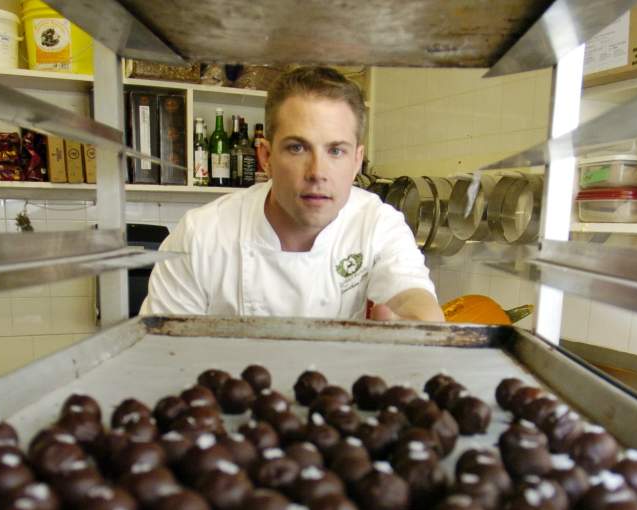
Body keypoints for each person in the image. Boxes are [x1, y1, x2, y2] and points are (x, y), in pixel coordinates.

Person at [141, 67, 443, 322]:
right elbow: (160, 348)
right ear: (266, 157)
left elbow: (412, 295)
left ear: (356, 161)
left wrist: (418, 330)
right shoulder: (201, 235)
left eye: (336, 150)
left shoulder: (376, 223)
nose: (317, 172)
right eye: (297, 148)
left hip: (337, 388)